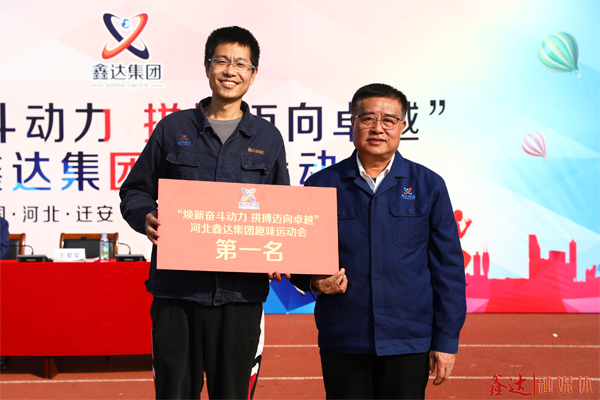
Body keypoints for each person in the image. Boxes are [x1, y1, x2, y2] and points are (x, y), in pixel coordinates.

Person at [119, 26, 290, 399]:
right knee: (175, 392)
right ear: (207, 66)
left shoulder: (267, 138)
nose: (230, 71)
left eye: (241, 64)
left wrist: (281, 250)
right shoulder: (173, 129)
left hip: (241, 294)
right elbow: (135, 190)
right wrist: (146, 216)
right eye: (222, 61)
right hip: (176, 292)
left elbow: (281, 208)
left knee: (233, 393)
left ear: (253, 74)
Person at [291, 83, 466, 399]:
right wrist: (315, 282)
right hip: (344, 335)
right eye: (368, 118)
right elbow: (297, 257)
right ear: (352, 122)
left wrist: (446, 341)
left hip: (408, 338)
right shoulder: (321, 185)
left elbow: (448, 269)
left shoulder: (429, 185)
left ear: (402, 126)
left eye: (388, 120)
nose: (377, 128)